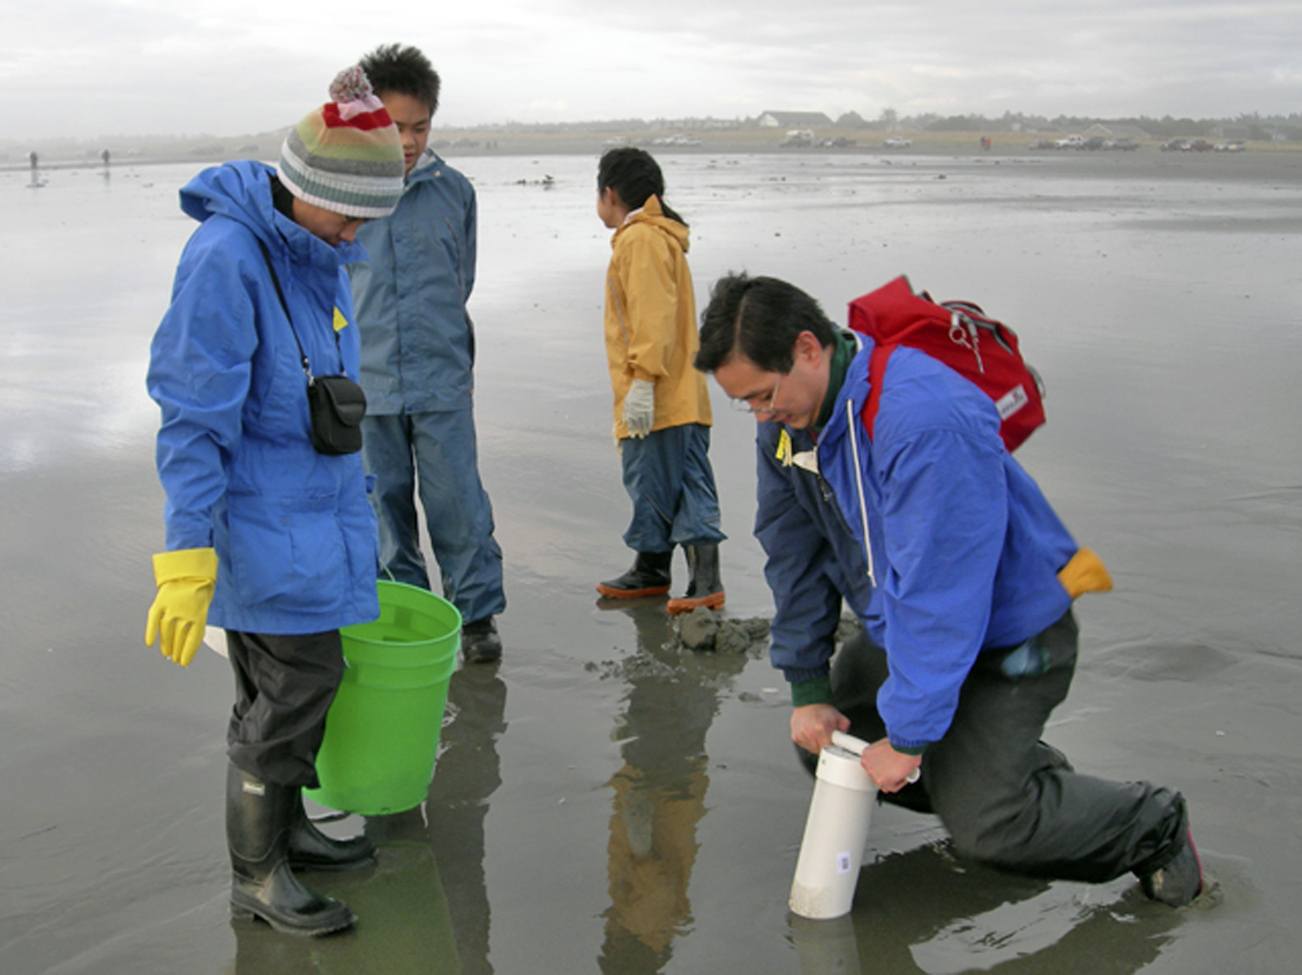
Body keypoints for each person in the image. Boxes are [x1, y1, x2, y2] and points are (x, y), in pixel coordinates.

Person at [694, 272, 1204, 906]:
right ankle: (1014, 774)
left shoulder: (924, 420)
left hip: (1012, 640)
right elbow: (794, 555)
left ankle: (1152, 825)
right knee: (835, 743)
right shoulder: (788, 427)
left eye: (764, 395)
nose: (762, 414)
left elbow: (944, 592)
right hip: (906, 631)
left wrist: (909, 738)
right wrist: (808, 685)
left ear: (807, 348)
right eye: (746, 403)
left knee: (990, 829)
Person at [144, 65, 407, 936]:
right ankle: (255, 873)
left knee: (280, 686)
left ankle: (286, 829)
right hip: (259, 525)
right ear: (303, 187)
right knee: (297, 687)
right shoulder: (226, 259)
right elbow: (192, 417)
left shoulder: (319, 250)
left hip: (312, 518)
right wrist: (185, 557)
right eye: (348, 212)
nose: (358, 230)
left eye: (371, 214)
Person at [347, 43, 506, 663]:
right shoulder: (349, 192)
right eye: (394, 126)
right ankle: (408, 615)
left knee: (457, 502)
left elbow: (460, 279)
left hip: (441, 378)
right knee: (382, 509)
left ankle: (477, 619)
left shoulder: (454, 192)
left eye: (419, 127)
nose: (408, 141)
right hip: (365, 382)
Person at [594, 147, 726, 615]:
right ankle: (670, 571)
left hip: (660, 392)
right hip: (684, 393)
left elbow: (653, 315)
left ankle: (669, 572)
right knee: (684, 481)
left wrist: (643, 381)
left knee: (653, 480)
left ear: (609, 193)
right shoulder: (660, 237)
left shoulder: (640, 240)